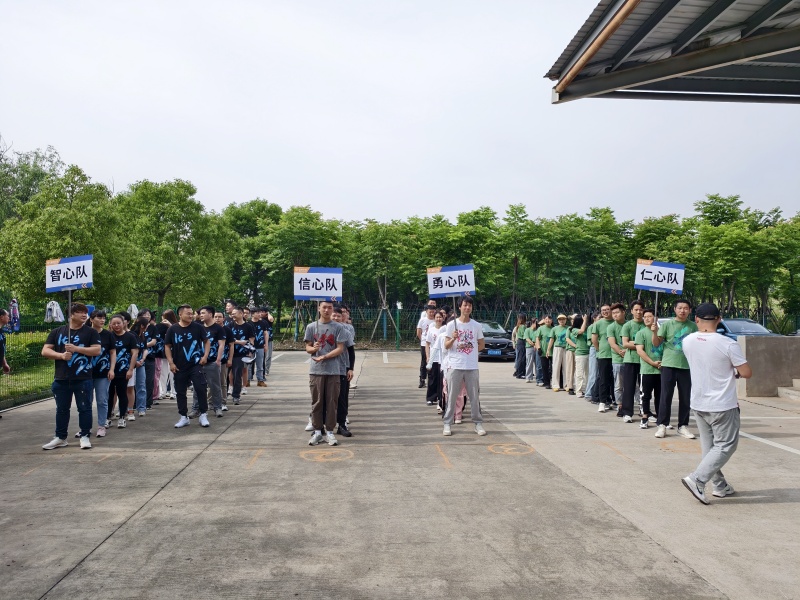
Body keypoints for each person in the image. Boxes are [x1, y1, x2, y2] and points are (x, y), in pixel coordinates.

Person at [681, 302, 751, 504]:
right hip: (722, 404)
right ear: (719, 319)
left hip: (698, 402)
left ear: (696, 319)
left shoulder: (688, 341)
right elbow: (746, 372)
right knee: (726, 445)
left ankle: (719, 485)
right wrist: (734, 371)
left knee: (710, 447)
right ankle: (697, 479)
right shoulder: (727, 343)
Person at [41, 303, 101, 450]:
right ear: (71, 315)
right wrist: (61, 355)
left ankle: (85, 435)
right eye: (80, 312)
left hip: (83, 377)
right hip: (61, 378)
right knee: (62, 409)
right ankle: (60, 437)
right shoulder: (57, 332)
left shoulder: (91, 332)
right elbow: (45, 351)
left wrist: (76, 349)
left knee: (85, 408)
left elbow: (96, 350)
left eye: (85, 312)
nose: (84, 314)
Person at [304, 300, 347, 446]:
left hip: (333, 370)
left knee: (332, 402)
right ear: (319, 308)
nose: (327, 310)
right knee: (317, 402)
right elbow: (308, 348)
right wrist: (314, 349)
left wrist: (325, 356)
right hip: (316, 371)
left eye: (330, 308)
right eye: (324, 307)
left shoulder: (339, 327)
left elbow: (340, 348)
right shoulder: (311, 327)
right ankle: (317, 431)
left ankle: (330, 431)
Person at [653, 299, 698, 439]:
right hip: (669, 365)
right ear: (675, 309)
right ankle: (662, 425)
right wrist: (654, 332)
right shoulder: (667, 325)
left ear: (690, 310)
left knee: (685, 397)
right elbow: (656, 344)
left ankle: (683, 426)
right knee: (666, 396)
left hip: (686, 366)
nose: (682, 310)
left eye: (686, 308)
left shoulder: (693, 326)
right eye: (680, 308)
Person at [442, 296, 486, 437]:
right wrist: (453, 338)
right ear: (459, 307)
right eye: (465, 305)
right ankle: (447, 423)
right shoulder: (451, 325)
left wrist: (470, 348)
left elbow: (482, 345)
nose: (467, 308)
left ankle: (478, 423)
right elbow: (446, 346)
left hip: (471, 366)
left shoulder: (476, 325)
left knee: (474, 397)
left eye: (470, 305)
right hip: (455, 365)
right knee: (452, 396)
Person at [165, 304, 211, 428]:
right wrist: (171, 363)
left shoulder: (198, 327)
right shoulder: (173, 329)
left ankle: (203, 414)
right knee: (180, 392)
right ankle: (183, 417)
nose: (191, 315)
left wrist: (205, 356)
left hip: (195, 364)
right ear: (180, 315)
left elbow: (207, 341)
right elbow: (167, 346)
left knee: (200, 388)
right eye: (188, 313)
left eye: (192, 313)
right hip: (179, 366)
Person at [190, 306, 226, 418]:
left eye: (203, 313)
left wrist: (218, 360)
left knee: (215, 386)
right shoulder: (199, 328)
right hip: (198, 362)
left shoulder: (218, 328)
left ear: (210, 314)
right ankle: (196, 409)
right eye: (200, 313)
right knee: (197, 387)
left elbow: (221, 345)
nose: (201, 315)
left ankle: (217, 407)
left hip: (212, 362)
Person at [89, 310, 116, 438]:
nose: (102, 320)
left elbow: (113, 353)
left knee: (102, 400)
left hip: (103, 373)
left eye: (104, 318)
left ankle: (101, 425)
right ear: (91, 319)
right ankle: (85, 427)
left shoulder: (108, 335)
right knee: (86, 401)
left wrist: (112, 369)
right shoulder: (86, 333)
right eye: (99, 317)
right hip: (86, 373)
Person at [109, 314, 138, 429]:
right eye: (114, 323)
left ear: (124, 323)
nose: (116, 325)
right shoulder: (109, 336)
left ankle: (122, 417)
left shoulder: (130, 337)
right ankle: (108, 417)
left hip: (124, 370)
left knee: (122, 393)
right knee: (110, 394)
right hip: (109, 371)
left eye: (118, 323)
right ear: (110, 325)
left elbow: (134, 353)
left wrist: (131, 369)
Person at [635, 308, 663, 429]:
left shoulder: (662, 332)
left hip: (662, 370)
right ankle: (645, 417)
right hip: (647, 369)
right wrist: (652, 363)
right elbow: (640, 351)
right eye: (645, 317)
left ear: (656, 318)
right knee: (645, 395)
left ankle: (661, 419)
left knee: (661, 396)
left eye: (649, 316)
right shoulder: (641, 333)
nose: (646, 319)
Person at [620, 300, 646, 423]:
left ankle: (644, 410)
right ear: (631, 311)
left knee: (644, 388)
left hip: (645, 360)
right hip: (630, 360)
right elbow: (625, 344)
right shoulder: (627, 325)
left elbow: (651, 343)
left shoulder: (647, 325)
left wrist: (634, 343)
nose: (638, 312)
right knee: (629, 387)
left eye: (640, 309)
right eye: (636, 309)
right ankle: (627, 412)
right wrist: (641, 344)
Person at [331, 306, 355, 437]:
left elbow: (351, 351)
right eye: (333, 315)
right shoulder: (320, 328)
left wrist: (350, 368)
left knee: (342, 398)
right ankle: (321, 425)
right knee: (325, 397)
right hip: (325, 369)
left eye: (338, 316)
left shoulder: (346, 331)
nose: (336, 318)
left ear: (342, 317)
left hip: (342, 368)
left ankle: (341, 424)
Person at [228, 306, 255, 405]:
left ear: (241, 314)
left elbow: (251, 339)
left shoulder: (248, 326)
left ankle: (236, 396)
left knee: (237, 374)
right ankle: (225, 394)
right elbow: (228, 340)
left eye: (234, 313)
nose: (232, 315)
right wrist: (240, 342)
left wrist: (250, 351)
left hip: (241, 354)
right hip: (229, 353)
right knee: (227, 374)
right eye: (232, 314)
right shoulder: (230, 325)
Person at [606, 303, 627, 415]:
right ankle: (620, 405)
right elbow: (612, 343)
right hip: (617, 359)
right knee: (618, 384)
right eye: (613, 313)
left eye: (617, 312)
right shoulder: (611, 327)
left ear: (623, 312)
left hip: (631, 358)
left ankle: (639, 405)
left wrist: (627, 351)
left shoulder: (629, 325)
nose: (615, 315)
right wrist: (621, 352)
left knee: (635, 384)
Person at [592, 304, 614, 412]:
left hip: (617, 355)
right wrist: (599, 349)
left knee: (614, 380)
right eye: (603, 310)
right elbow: (594, 339)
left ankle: (612, 400)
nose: (605, 312)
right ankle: (602, 401)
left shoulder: (616, 322)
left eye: (607, 309)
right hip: (603, 355)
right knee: (603, 379)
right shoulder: (598, 323)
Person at [425, 310, 446, 406]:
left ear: (443, 318)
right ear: (434, 318)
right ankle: (430, 398)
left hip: (442, 358)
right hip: (433, 358)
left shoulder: (446, 329)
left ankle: (440, 398)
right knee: (432, 378)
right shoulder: (431, 330)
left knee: (441, 379)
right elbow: (427, 344)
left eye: (440, 317)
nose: (438, 319)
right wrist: (428, 356)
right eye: (437, 317)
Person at [214, 310, 234, 409]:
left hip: (223, 359)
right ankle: (211, 402)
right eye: (215, 317)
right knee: (211, 383)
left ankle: (223, 402)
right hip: (211, 359)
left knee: (222, 382)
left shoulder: (227, 330)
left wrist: (230, 359)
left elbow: (231, 345)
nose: (217, 319)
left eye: (219, 317)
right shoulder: (209, 329)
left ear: (223, 318)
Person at [566, 314, 590, 396]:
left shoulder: (587, 329)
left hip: (588, 353)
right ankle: (578, 390)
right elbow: (581, 331)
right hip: (580, 353)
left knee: (587, 373)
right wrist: (585, 320)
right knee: (579, 373)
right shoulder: (574, 330)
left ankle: (585, 389)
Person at [156, 310, 177, 400]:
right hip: (163, 352)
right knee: (163, 373)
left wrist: (170, 326)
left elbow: (177, 334)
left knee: (172, 372)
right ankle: (163, 392)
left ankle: (173, 392)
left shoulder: (176, 326)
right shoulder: (160, 326)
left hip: (173, 351)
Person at [416, 301, 437, 388]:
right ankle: (422, 379)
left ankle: (431, 379)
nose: (431, 314)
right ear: (426, 312)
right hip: (424, 343)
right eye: (430, 312)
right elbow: (418, 332)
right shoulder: (422, 320)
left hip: (434, 344)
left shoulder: (436, 320)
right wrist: (423, 341)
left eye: (433, 312)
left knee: (433, 361)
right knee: (424, 361)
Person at [547, 314, 570, 392]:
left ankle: (566, 385)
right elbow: (551, 340)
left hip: (566, 348)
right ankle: (555, 385)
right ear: (558, 320)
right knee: (556, 366)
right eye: (560, 319)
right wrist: (548, 350)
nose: (562, 320)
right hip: (557, 348)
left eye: (563, 319)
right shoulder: (554, 329)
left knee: (566, 367)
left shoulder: (569, 328)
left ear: (566, 320)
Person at [535, 316, 553, 389]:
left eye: (549, 319)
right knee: (545, 367)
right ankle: (547, 383)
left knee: (552, 368)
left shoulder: (553, 328)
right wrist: (539, 348)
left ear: (552, 320)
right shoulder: (540, 329)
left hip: (552, 351)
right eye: (546, 319)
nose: (547, 321)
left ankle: (553, 381)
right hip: (543, 351)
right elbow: (537, 339)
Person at [512, 314, 527, 379]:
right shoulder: (523, 326)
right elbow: (525, 335)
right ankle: (520, 373)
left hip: (518, 342)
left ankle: (517, 372)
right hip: (522, 342)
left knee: (518, 358)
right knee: (522, 359)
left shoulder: (518, 326)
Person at [524, 319, 538, 383]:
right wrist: (533, 344)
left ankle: (538, 377)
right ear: (533, 323)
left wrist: (536, 345)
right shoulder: (527, 330)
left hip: (536, 347)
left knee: (537, 363)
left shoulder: (537, 330)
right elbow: (527, 339)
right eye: (536, 323)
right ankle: (528, 377)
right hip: (529, 348)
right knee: (529, 362)